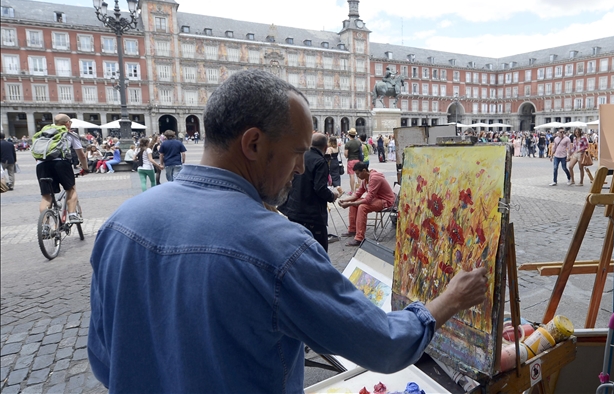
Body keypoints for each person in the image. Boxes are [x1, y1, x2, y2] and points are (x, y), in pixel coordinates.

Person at [88, 70, 488, 392]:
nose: (301, 169)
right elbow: (385, 345)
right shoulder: (278, 247)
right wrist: (449, 299)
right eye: (297, 153)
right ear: (254, 143)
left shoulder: (121, 222)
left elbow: (105, 361)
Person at [279, 133, 343, 252]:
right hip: (311, 214)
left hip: (293, 209)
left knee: (298, 247)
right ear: (325, 147)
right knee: (319, 249)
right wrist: (332, 196)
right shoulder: (320, 161)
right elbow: (319, 188)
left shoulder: (300, 156)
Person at [36, 114, 87, 222]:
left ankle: (45, 225)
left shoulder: (43, 135)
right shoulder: (69, 134)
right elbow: (81, 155)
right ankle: (72, 214)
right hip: (61, 164)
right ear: (67, 123)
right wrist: (85, 168)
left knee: (46, 196)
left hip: (42, 164)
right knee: (71, 190)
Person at [339, 161, 395, 246]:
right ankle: (352, 230)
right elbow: (357, 194)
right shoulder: (365, 179)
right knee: (354, 203)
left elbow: (368, 200)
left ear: (364, 171)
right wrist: (345, 200)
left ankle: (359, 238)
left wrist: (349, 204)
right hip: (376, 199)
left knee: (362, 207)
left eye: (358, 174)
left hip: (385, 201)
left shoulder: (374, 178)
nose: (357, 176)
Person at [344, 128, 363, 193]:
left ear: (349, 134)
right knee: (359, 175)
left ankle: (352, 190)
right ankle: (360, 189)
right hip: (357, 160)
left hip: (351, 160)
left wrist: (347, 155)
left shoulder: (348, 143)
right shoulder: (358, 142)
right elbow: (361, 151)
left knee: (351, 175)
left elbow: (346, 154)